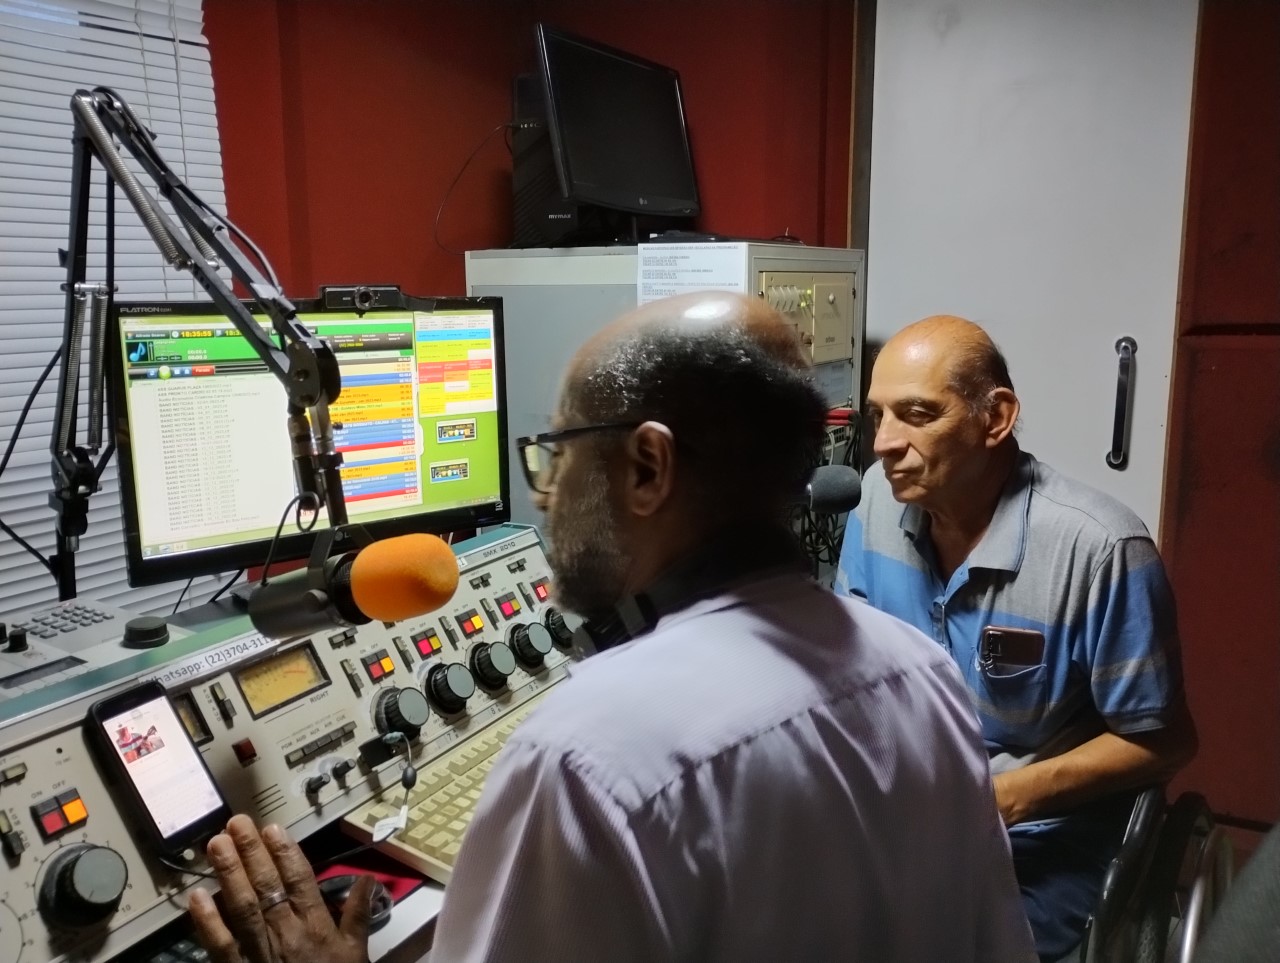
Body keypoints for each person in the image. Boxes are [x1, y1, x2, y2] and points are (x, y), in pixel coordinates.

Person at [189, 293, 1035, 962]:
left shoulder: (589, 755)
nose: (546, 491)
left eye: (558, 453)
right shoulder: (918, 668)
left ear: (646, 466)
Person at [836, 314, 1198, 961]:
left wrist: (1003, 799)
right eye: (877, 416)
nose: (885, 442)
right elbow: (853, 671)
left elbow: (1164, 741)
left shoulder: (1102, 549)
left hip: (1042, 841)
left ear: (996, 417)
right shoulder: (875, 504)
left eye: (916, 414)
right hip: (905, 820)